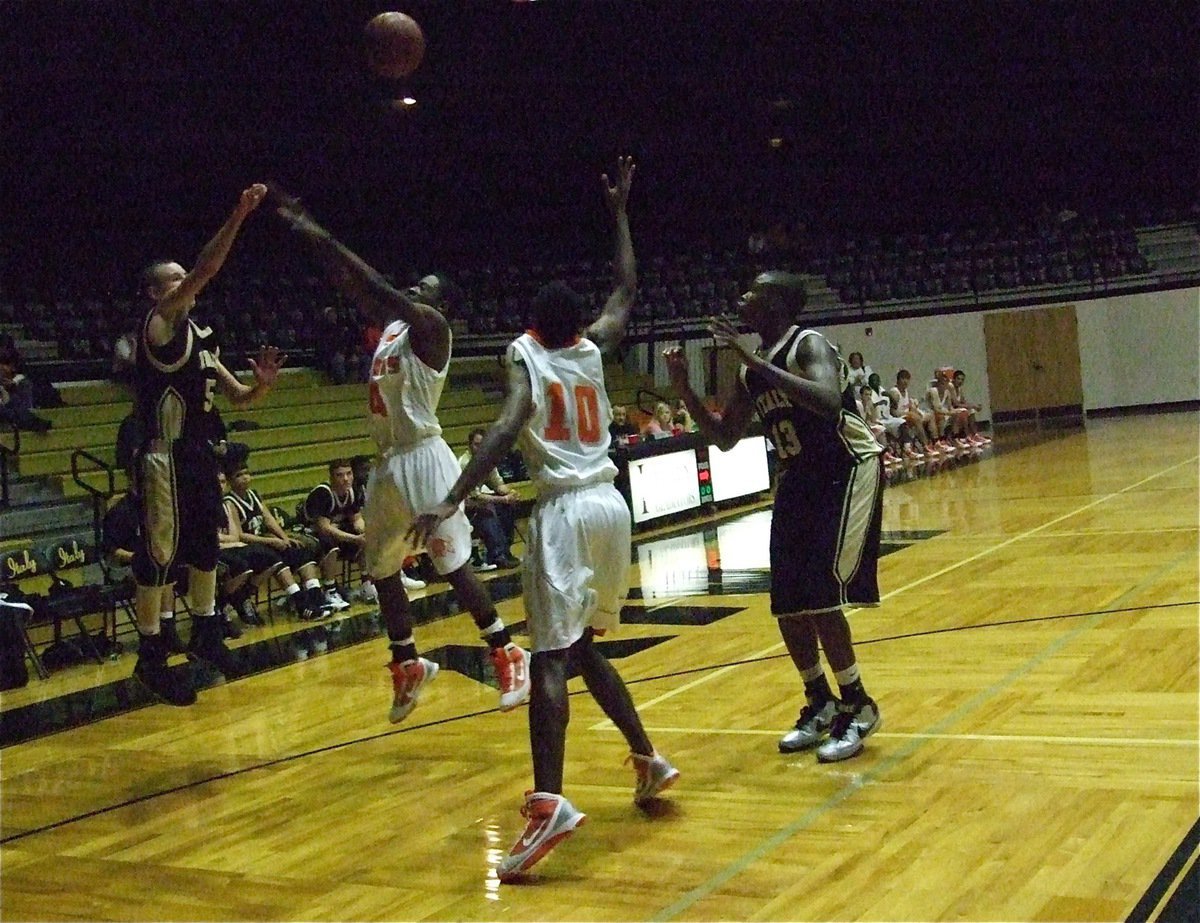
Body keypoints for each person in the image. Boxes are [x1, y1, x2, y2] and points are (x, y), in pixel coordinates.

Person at [410, 157, 678, 883]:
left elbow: (503, 427)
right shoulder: (596, 346)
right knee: (586, 649)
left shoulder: (524, 353)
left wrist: (455, 493)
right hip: (611, 507)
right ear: (575, 323)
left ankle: (550, 801)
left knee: (550, 658)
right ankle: (650, 758)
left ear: (532, 322)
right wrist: (620, 210)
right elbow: (626, 284)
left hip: (563, 511)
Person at [272, 187, 530, 722]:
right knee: (381, 567)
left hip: (425, 456)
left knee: (451, 564)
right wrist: (310, 240)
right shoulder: (392, 331)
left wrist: (319, 230)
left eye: (426, 290)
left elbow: (375, 285)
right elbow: (355, 286)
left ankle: (507, 651)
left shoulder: (432, 330)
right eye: (416, 287)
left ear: (441, 305)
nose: (416, 291)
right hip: (388, 461)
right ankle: (407, 661)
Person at [665, 270, 884, 763]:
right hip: (799, 478)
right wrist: (685, 391)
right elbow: (723, 437)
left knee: (822, 592)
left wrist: (747, 359)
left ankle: (858, 703)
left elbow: (828, 402)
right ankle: (819, 700)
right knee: (787, 600)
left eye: (753, 291)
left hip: (846, 468)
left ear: (778, 305)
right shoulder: (754, 368)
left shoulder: (808, 346)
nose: (741, 296)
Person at [129, 183, 283, 706]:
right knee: (159, 554)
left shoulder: (200, 335)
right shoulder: (158, 324)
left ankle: (206, 632)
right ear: (157, 293)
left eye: (183, 278)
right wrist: (238, 213)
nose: (186, 283)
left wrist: (261, 384)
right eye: (174, 280)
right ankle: (150, 655)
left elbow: (238, 397)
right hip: (161, 453)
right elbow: (205, 269)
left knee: (205, 548)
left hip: (197, 452)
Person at [222, 457, 333, 620]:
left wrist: (284, 537)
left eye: (247, 473)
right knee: (276, 558)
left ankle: (316, 596)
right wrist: (273, 541)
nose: (245, 477)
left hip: (265, 541)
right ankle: (300, 603)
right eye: (239, 475)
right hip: (248, 546)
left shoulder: (253, 495)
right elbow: (240, 535)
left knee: (298, 550)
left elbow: (269, 519)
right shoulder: (230, 502)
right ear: (230, 481)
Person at [301, 458, 374, 604]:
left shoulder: (351, 492)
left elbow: (356, 519)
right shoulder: (322, 493)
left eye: (349, 474)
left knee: (366, 538)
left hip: (335, 531)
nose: (346, 479)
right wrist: (354, 539)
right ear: (331, 477)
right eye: (340, 475)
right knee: (330, 544)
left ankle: (367, 583)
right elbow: (324, 527)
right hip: (308, 533)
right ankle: (330, 589)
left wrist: (366, 532)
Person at [457, 428, 521, 570]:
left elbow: (497, 484)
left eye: (483, 444)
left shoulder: (488, 460)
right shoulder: (465, 463)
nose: (480, 448)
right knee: (486, 509)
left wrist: (510, 494)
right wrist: (503, 499)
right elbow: (475, 495)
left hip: (477, 501)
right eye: (476, 444)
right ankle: (497, 555)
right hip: (462, 506)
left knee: (509, 507)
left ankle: (506, 549)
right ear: (469, 445)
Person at [0, 344, 52, 433]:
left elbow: (25, 406)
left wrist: (11, 387)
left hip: (11, 414)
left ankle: (32, 422)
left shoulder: (18, 382)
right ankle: (33, 422)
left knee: (15, 401)